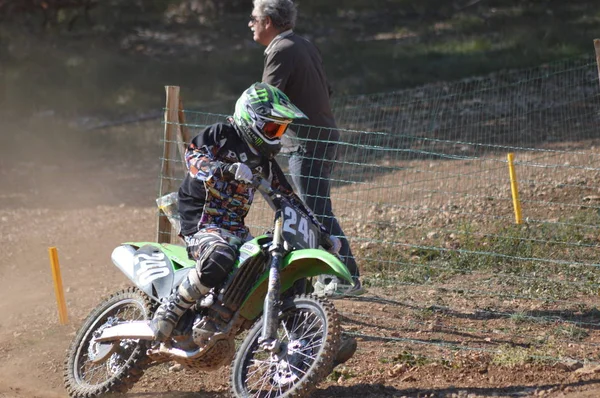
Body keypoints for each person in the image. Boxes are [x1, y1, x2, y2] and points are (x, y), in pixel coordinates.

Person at [150, 82, 339, 344]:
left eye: (282, 129)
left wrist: (322, 233)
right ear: (252, 119)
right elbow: (193, 156)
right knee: (220, 255)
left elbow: (288, 197)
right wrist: (224, 168)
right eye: (273, 127)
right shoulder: (222, 134)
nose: (278, 135)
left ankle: (305, 338)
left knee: (264, 264)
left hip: (233, 226)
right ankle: (172, 307)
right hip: (200, 219)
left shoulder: (264, 161)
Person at [249, 0, 363, 296]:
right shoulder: (304, 45)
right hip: (324, 135)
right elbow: (327, 90)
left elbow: (265, 100)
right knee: (315, 209)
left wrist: (256, 141)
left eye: (254, 19)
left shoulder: (279, 50)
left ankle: (345, 277)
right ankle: (326, 276)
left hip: (305, 143)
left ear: (269, 21)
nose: (250, 24)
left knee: (316, 212)